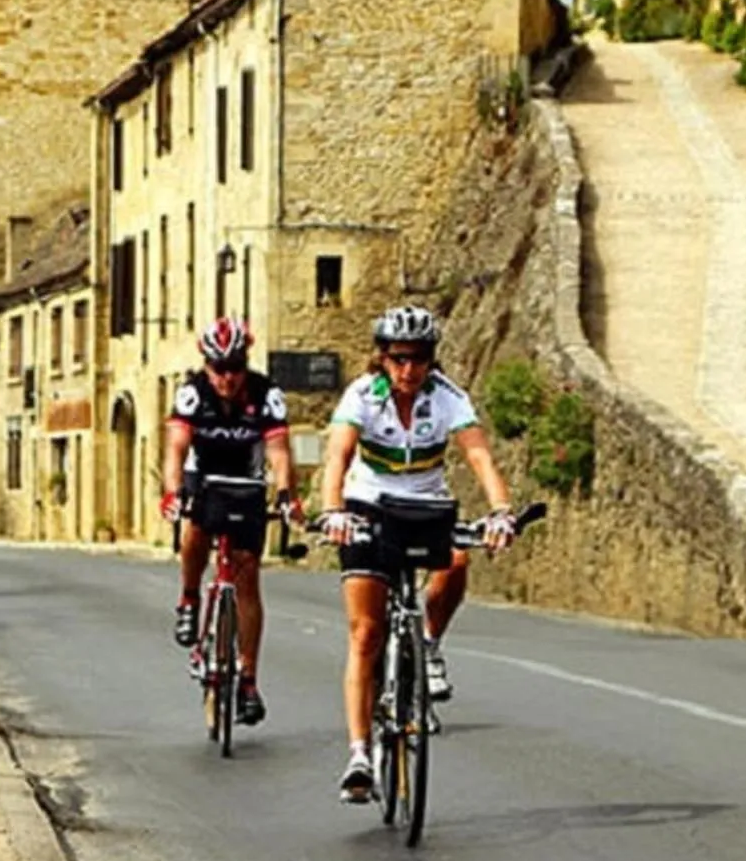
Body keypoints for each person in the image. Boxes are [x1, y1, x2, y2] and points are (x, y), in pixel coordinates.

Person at [318, 304, 519, 802]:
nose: (410, 370)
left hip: (427, 503)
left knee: (456, 562)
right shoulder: (362, 395)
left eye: (420, 359)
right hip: (369, 504)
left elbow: (478, 455)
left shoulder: (446, 397)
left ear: (432, 359)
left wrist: (501, 511)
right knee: (366, 632)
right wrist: (332, 510)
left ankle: (427, 642)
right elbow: (338, 456)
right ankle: (360, 754)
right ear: (383, 358)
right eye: (400, 359)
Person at [161, 317, 298, 727]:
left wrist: (287, 494)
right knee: (197, 528)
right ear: (206, 366)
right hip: (203, 475)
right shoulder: (193, 393)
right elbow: (176, 447)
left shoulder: (266, 393)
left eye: (235, 366)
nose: (227, 377)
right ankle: (189, 598)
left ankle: (249, 681)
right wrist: (171, 493)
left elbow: (278, 452)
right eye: (219, 368)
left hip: (245, 480)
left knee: (248, 576)